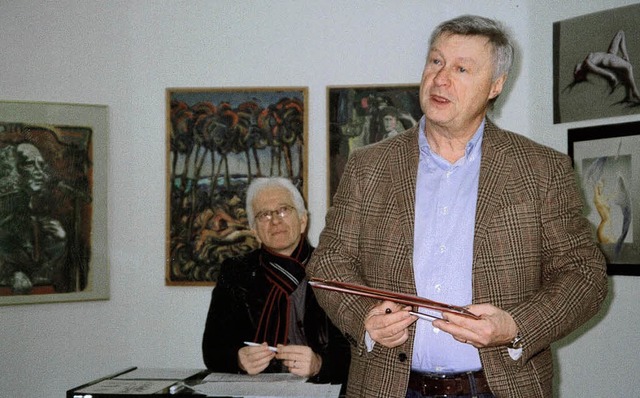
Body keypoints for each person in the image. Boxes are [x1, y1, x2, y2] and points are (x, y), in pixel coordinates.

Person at [307, 15, 608, 398]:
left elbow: (585, 273)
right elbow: (329, 262)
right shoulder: (369, 166)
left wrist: (515, 326)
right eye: (436, 62)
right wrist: (363, 318)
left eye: (462, 68)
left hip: (499, 388)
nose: (441, 78)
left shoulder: (540, 169)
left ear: (495, 86)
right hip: (387, 387)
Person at [202, 177, 350, 386]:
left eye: (283, 210)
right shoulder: (235, 273)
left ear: (302, 221)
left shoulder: (334, 270)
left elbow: (357, 351)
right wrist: (238, 360)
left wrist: (320, 364)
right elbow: (212, 350)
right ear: (254, 230)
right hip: (254, 391)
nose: (275, 221)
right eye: (264, 215)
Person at [0, 143, 67, 294]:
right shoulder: (6, 216)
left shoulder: (34, 213)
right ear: (11, 168)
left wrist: (59, 241)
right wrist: (13, 273)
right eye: (30, 164)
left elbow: (44, 272)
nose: (39, 172)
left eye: (41, 165)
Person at [568, 30, 640, 103]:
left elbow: (593, 68)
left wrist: (625, 55)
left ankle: (629, 95)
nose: (574, 71)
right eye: (577, 74)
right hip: (608, 59)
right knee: (629, 67)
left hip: (610, 54)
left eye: (575, 73)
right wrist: (610, 76)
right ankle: (634, 91)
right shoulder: (586, 64)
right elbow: (597, 69)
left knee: (621, 33)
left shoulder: (585, 62)